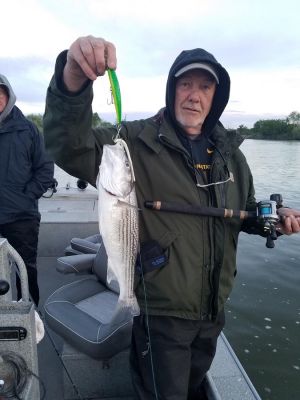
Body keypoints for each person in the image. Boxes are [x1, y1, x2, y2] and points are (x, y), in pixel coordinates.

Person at [43, 36, 300, 400]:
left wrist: (271, 217)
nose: (194, 95)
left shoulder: (231, 156)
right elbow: (68, 146)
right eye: (185, 84)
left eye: (205, 87)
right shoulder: (132, 142)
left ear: (216, 97)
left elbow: (244, 210)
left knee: (193, 387)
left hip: (213, 309)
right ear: (172, 89)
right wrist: (73, 80)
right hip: (161, 313)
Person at [0, 74, 55, 306]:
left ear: (8, 96)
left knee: (25, 269)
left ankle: (31, 316)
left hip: (22, 218)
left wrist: (25, 196)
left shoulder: (28, 130)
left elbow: (45, 169)